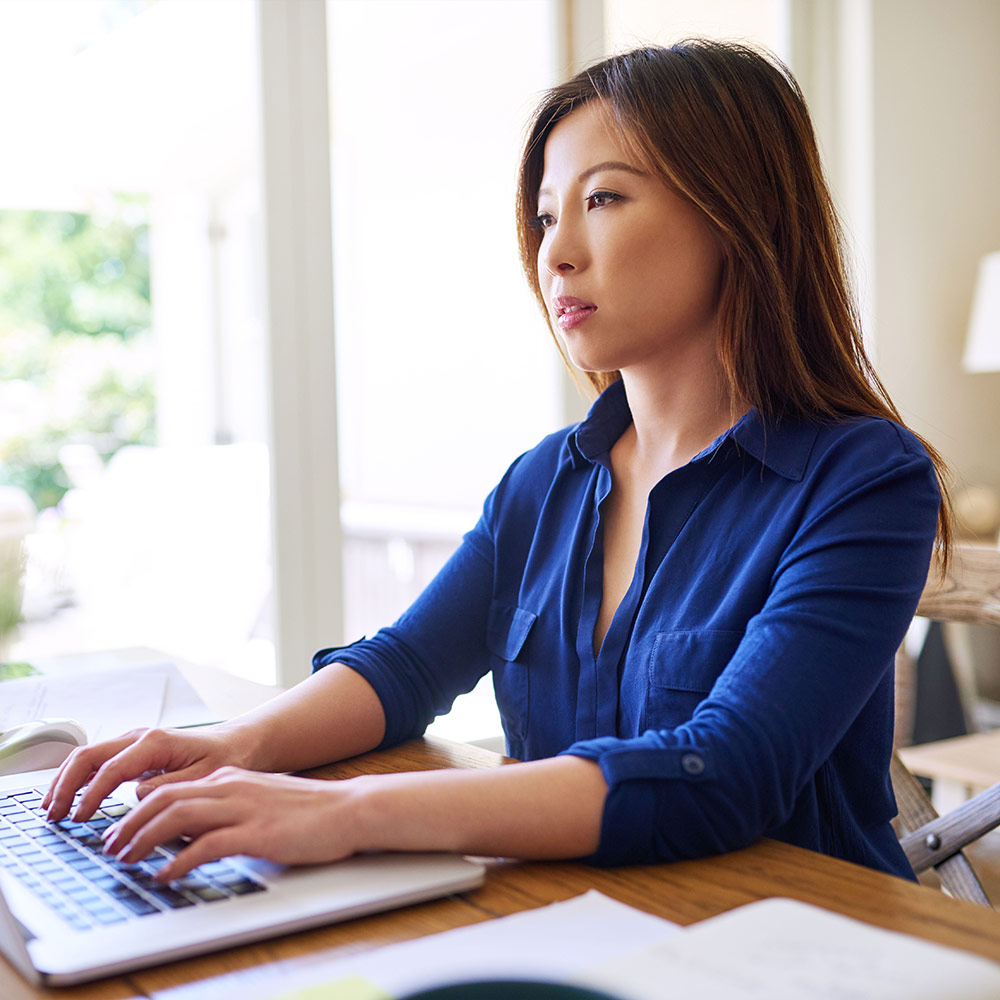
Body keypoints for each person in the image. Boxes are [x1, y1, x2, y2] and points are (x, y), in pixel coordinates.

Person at [43, 40, 951, 883]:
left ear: (734, 214)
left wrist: (348, 812)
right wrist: (236, 746)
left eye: (604, 199)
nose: (556, 251)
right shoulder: (542, 483)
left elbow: (725, 773)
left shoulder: (866, 483)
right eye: (548, 213)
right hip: (573, 915)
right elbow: (402, 669)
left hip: (795, 944)